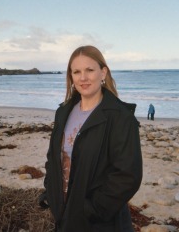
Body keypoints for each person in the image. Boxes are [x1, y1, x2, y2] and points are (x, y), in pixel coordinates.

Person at [39, 45, 143, 231]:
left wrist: (91, 209)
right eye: (76, 72)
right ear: (71, 77)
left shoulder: (120, 117)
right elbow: (52, 157)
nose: (83, 77)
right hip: (64, 216)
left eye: (89, 70)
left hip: (101, 223)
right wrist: (51, 193)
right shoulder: (63, 112)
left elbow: (128, 176)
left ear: (103, 73)